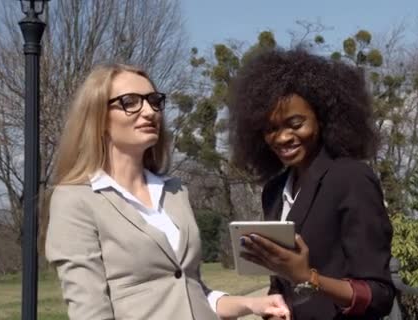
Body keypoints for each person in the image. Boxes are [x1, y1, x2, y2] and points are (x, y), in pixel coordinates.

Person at [45, 63, 290, 320]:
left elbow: (190, 288)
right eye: (130, 102)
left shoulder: (175, 191)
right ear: (98, 116)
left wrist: (253, 304)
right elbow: (90, 312)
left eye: (154, 101)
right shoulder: (75, 200)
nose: (150, 111)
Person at [228, 48, 395, 319]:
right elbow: (279, 282)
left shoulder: (351, 179)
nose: (282, 138)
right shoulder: (274, 191)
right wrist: (274, 306)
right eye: (271, 129)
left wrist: (308, 277)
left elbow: (378, 295)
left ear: (321, 118)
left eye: (295, 123)